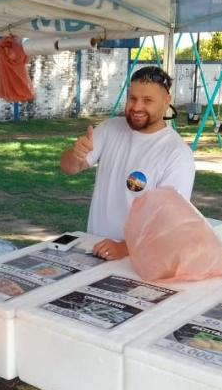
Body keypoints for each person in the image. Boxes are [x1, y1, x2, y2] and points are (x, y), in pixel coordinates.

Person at [60, 66, 196, 260]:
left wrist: (124, 248)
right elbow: (68, 168)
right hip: (94, 248)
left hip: (138, 259)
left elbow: (170, 222)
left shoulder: (177, 154)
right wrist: (76, 155)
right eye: (132, 98)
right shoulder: (110, 128)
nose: (137, 107)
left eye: (147, 100)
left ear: (167, 102)